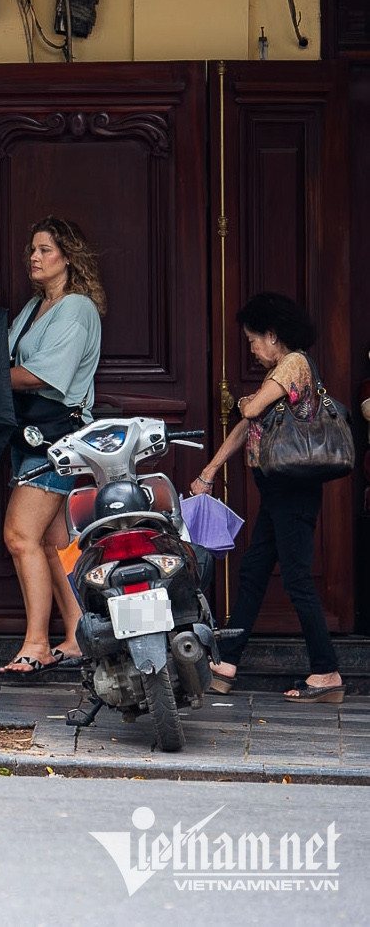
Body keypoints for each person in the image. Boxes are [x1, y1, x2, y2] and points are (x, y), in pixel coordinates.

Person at [196, 293, 344, 704]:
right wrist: (210, 471)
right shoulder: (280, 371)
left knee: (296, 579)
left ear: (272, 335)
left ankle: (326, 672)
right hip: (278, 492)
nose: (251, 349)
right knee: (254, 571)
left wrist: (246, 401)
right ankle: (226, 663)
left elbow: (250, 411)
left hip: (292, 491)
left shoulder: (293, 363)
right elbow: (247, 427)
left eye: (253, 340)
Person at [0, 217, 105, 678]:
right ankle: (77, 637)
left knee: (19, 536)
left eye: (45, 249)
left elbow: (40, 376)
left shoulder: (76, 309)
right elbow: (6, 358)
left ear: (69, 257)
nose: (34, 257)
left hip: (55, 440)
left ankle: (37, 644)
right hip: (31, 434)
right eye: (32, 249)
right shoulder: (36, 306)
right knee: (52, 542)